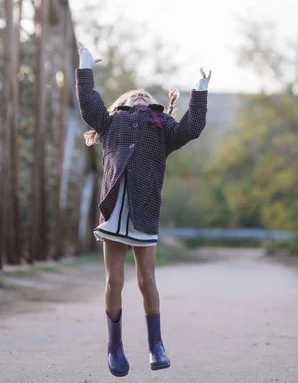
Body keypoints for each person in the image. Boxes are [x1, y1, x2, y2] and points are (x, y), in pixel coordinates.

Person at [75, 41, 210, 377]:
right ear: (121, 104)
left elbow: (192, 127)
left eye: (146, 97)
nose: (140, 96)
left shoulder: (162, 128)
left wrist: (201, 89)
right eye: (133, 95)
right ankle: (115, 347)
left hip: (144, 212)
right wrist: (85, 65)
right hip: (113, 212)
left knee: (147, 280)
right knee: (113, 282)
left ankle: (156, 345)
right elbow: (89, 104)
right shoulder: (110, 123)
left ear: (158, 107)